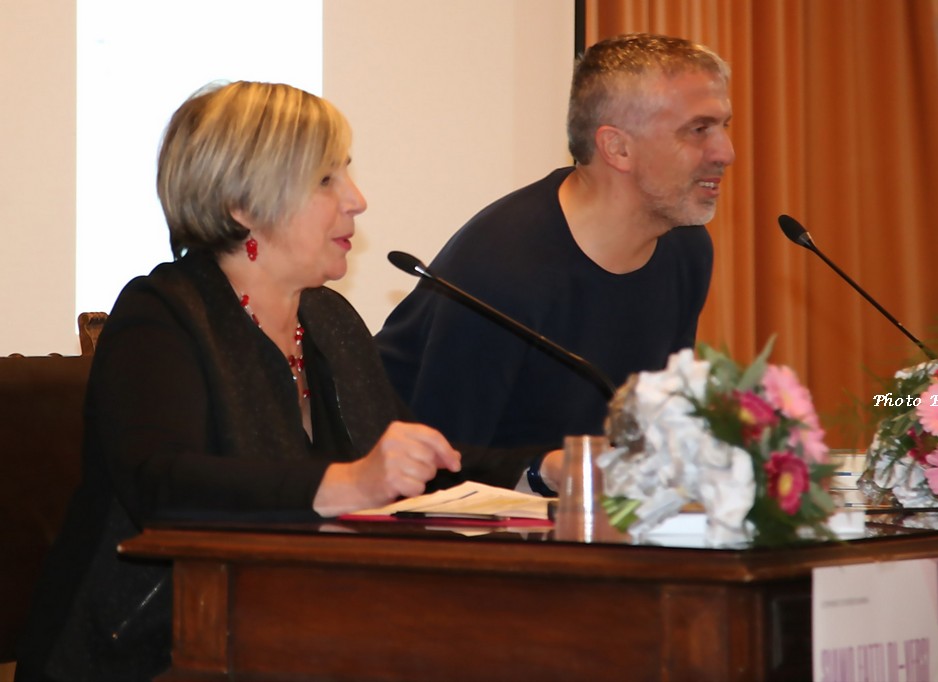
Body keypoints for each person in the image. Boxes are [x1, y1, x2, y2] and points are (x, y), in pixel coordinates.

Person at [16, 81, 543, 681]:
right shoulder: (161, 315)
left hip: (301, 632)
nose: (357, 200)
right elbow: (162, 486)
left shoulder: (328, 319)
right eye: (326, 179)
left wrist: (538, 473)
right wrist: (347, 483)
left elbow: (413, 465)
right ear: (242, 204)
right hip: (158, 650)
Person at [376, 34, 735, 482]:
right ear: (617, 147)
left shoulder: (686, 248)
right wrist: (541, 472)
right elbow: (438, 465)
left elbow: (652, 426)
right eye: (698, 130)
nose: (726, 152)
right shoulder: (503, 268)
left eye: (724, 126)